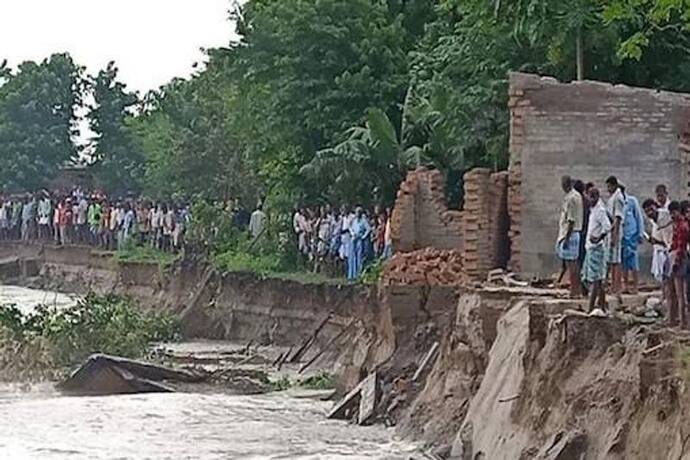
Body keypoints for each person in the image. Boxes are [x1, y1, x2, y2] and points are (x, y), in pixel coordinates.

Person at [581, 187, 611, 315]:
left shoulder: (600, 210)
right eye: (589, 197)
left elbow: (608, 227)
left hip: (596, 249)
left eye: (593, 197)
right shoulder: (594, 209)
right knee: (597, 280)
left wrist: (599, 238)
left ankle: (591, 307)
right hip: (591, 248)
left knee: (595, 280)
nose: (590, 199)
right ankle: (602, 306)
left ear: (597, 197)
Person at [556, 176, 584, 297]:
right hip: (572, 233)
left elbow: (571, 220)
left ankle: (574, 291)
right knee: (573, 263)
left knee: (571, 264)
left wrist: (567, 238)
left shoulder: (572, 198)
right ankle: (575, 290)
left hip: (571, 234)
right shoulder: (575, 196)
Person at [621, 185, 645, 294]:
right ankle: (625, 285)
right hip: (622, 237)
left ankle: (635, 286)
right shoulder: (615, 202)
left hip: (632, 236)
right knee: (623, 263)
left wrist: (640, 234)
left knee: (633, 262)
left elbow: (639, 217)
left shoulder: (631, 201)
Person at [668, 201, 689, 328]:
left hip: (681, 260)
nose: (671, 215)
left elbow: (680, 247)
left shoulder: (681, 226)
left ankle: (683, 322)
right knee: (680, 293)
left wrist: (675, 263)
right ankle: (682, 321)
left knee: (681, 293)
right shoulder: (679, 225)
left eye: (673, 212)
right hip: (681, 258)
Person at [643, 199, 673, 284]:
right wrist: (654, 241)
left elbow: (668, 239)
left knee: (671, 278)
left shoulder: (666, 215)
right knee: (663, 278)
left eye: (651, 209)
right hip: (660, 251)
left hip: (672, 250)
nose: (649, 213)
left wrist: (658, 241)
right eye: (647, 211)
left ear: (655, 207)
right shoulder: (653, 220)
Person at [605, 176, 625, 299]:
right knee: (612, 261)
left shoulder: (618, 198)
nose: (607, 189)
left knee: (616, 262)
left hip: (615, 232)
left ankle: (617, 288)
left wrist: (614, 236)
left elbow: (617, 218)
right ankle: (613, 287)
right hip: (610, 231)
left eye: (608, 186)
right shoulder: (613, 197)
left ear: (613, 185)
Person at [347, 207, 371, 280]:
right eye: (356, 212)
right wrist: (352, 233)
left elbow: (368, 229)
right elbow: (349, 227)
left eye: (359, 212)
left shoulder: (363, 221)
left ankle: (358, 274)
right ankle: (351, 275)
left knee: (359, 257)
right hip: (353, 239)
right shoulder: (354, 220)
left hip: (359, 240)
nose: (357, 214)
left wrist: (363, 236)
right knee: (352, 257)